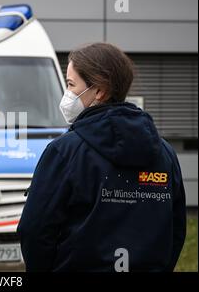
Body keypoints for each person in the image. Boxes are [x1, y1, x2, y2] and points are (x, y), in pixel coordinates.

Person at [18, 42, 186, 272]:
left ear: (99, 91)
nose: (66, 94)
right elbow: (175, 231)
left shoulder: (64, 152)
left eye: (70, 84)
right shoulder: (165, 153)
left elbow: (35, 230)